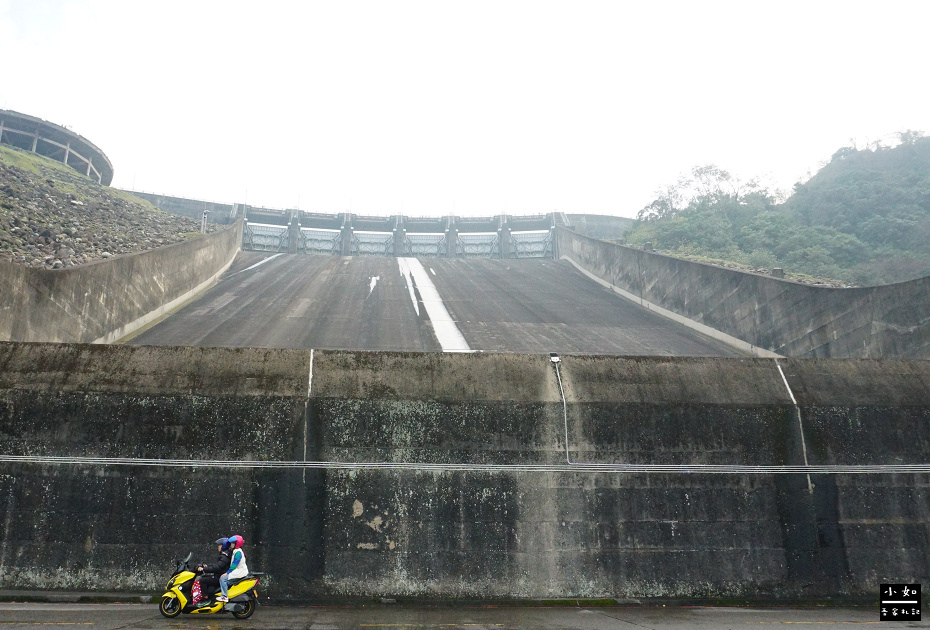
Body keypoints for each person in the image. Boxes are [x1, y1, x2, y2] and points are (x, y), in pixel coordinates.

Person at [194, 537, 232, 606]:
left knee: (202, 580)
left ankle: (206, 599)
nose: (218, 547)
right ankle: (211, 598)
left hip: (219, 576)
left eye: (219, 545)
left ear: (224, 546)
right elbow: (217, 565)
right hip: (218, 575)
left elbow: (217, 567)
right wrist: (206, 566)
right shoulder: (224, 555)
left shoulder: (224, 557)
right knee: (206, 578)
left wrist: (204, 569)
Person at [217, 535, 248, 603]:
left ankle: (224, 596)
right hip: (238, 571)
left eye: (233, 543)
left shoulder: (238, 553)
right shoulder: (236, 551)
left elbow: (234, 565)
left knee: (222, 579)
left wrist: (226, 573)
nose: (231, 544)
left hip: (239, 572)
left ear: (237, 544)